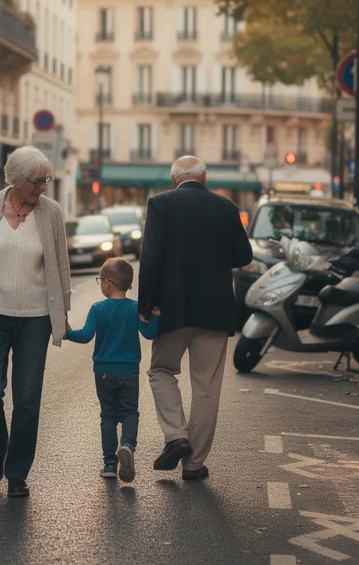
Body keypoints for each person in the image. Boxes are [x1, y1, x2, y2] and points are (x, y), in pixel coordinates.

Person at [0, 146, 72, 498]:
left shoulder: (50, 213)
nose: (42, 188)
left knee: (26, 400)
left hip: (35, 318)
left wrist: (61, 314)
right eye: (36, 182)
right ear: (16, 180)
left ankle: (17, 472)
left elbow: (62, 266)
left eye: (46, 180)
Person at [138, 156, 254, 480]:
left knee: (161, 371)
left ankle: (176, 436)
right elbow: (244, 256)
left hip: (172, 309)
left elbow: (150, 259)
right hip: (216, 311)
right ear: (203, 177)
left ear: (175, 180)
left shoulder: (160, 205)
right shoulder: (227, 207)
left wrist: (145, 306)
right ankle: (194, 464)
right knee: (206, 387)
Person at [65, 257, 161, 483]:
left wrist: (66, 332)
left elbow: (86, 335)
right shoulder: (136, 308)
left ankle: (109, 463)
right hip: (129, 372)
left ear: (107, 283)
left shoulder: (98, 309)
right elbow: (149, 334)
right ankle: (127, 445)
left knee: (108, 416)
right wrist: (156, 317)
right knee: (129, 412)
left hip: (103, 372)